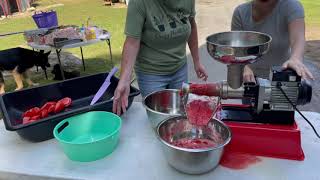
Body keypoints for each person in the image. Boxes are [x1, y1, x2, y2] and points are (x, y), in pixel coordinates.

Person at [112, 0, 208, 115]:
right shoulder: (139, 2)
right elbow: (132, 42)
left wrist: (197, 62)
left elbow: (191, 26)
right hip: (151, 74)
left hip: (179, 68)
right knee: (158, 117)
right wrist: (124, 80)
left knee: (180, 113)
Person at [231, 0, 314, 83]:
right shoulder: (240, 12)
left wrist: (296, 59)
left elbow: (298, 38)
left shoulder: (291, 5)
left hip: (281, 77)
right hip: (249, 79)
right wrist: (243, 67)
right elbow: (237, 50)